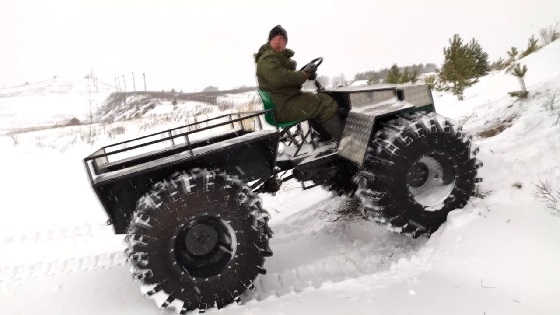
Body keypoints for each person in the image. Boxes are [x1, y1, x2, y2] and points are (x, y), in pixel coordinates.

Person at [254, 25, 343, 140]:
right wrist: (304, 74)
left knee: (314, 99)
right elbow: (281, 78)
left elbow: (285, 81)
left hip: (283, 102)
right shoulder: (267, 59)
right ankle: (344, 141)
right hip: (282, 108)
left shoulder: (273, 59)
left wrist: (305, 75)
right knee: (324, 103)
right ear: (270, 40)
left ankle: (325, 136)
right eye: (278, 38)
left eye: (284, 40)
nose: (281, 42)